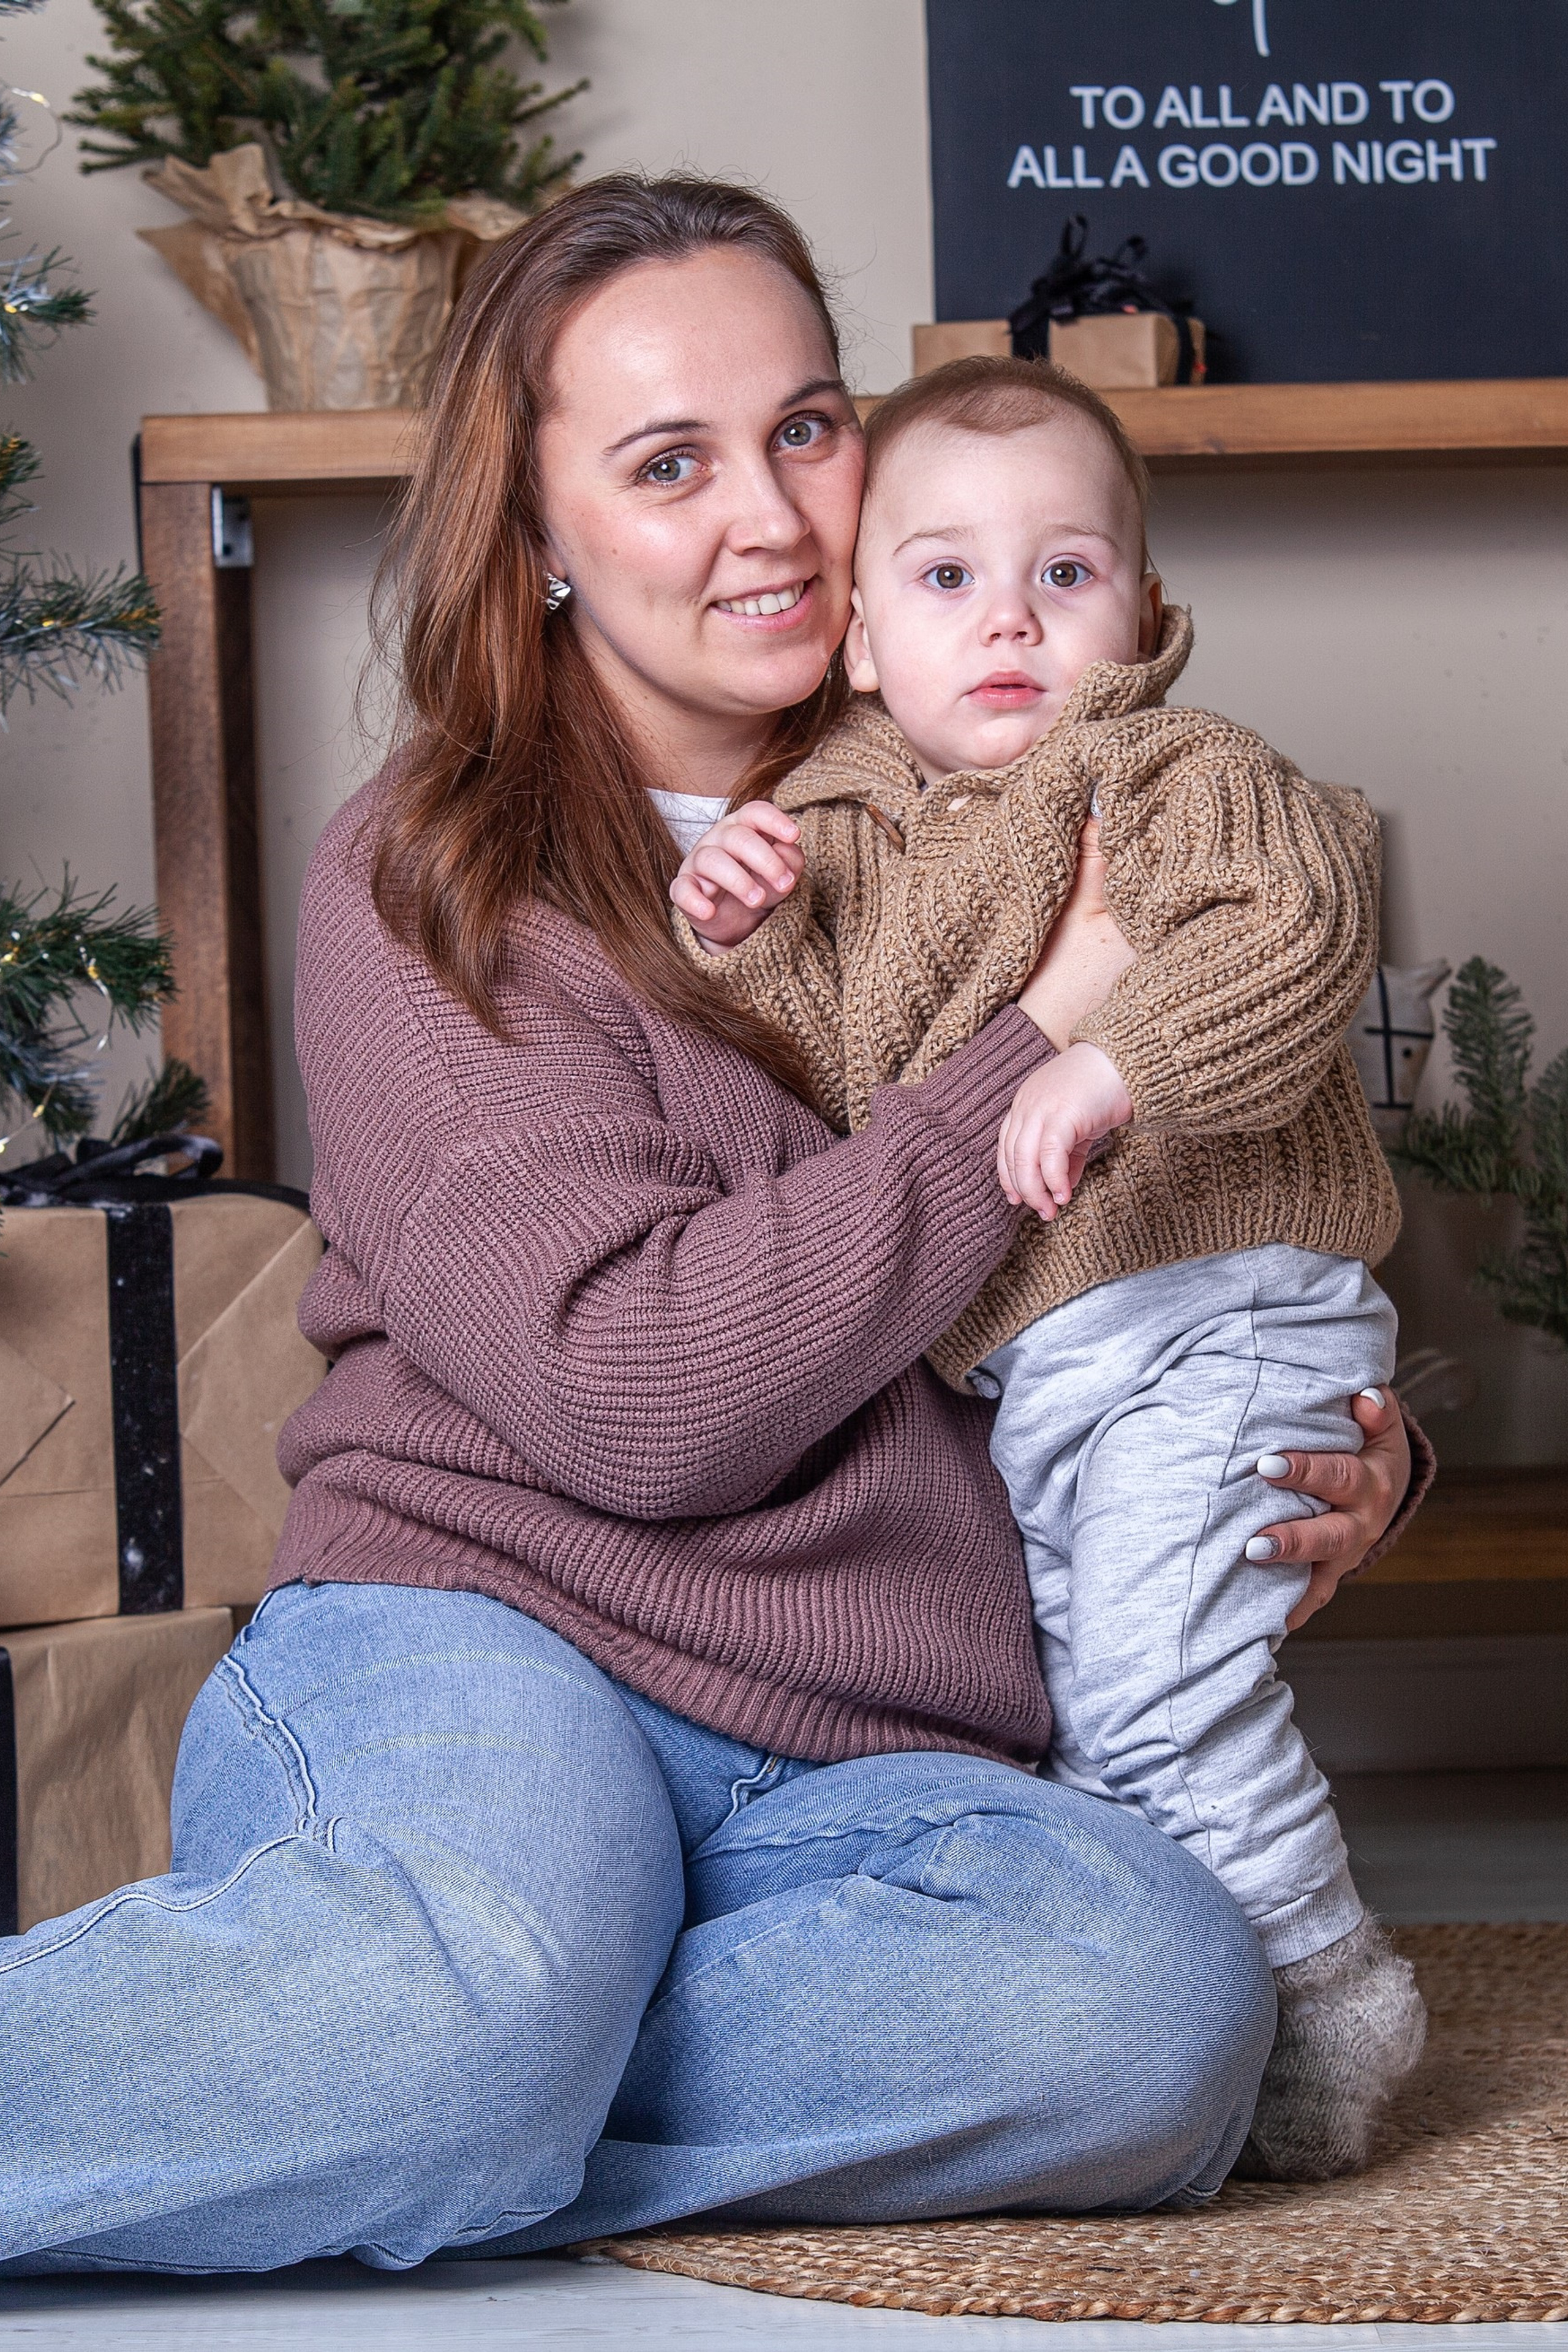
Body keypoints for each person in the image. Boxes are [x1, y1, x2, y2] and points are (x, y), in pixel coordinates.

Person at [0, 176, 1426, 2278]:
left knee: (1153, 2009)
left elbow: (1197, 1192)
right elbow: (641, 1394)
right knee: (464, 2007)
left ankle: (468, 2072)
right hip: (490, 1638)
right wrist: (1042, 1027)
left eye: (808, 427)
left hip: (877, 1734)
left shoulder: (1034, 791)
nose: (767, 514)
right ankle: (458, 2037)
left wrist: (1305, 1432)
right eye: (668, 464)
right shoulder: (436, 868)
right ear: (540, 537)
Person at [669, 355, 1427, 2179]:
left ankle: (1328, 1989)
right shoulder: (843, 838)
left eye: (1064, 575)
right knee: (1104, 1708)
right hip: (1063, 1363)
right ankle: (1182, 2001)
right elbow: (858, 1100)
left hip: (1221, 1306)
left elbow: (1306, 917)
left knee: (1155, 1697)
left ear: (1148, 615)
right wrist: (744, 939)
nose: (1008, 618)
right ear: (859, 639)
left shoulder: (1171, 764)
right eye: (944, 579)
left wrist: (1117, 1057)